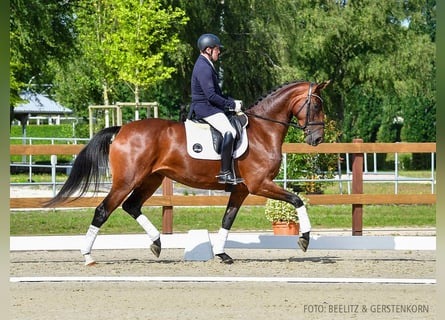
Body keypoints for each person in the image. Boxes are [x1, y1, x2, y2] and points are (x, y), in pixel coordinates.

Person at [189, 33, 244, 185]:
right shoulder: (203, 67)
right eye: (217, 49)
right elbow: (211, 95)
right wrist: (231, 105)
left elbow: (217, 93)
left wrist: (231, 101)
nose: (219, 52)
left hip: (209, 106)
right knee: (230, 131)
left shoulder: (206, 64)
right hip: (205, 108)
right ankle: (224, 173)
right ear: (208, 50)